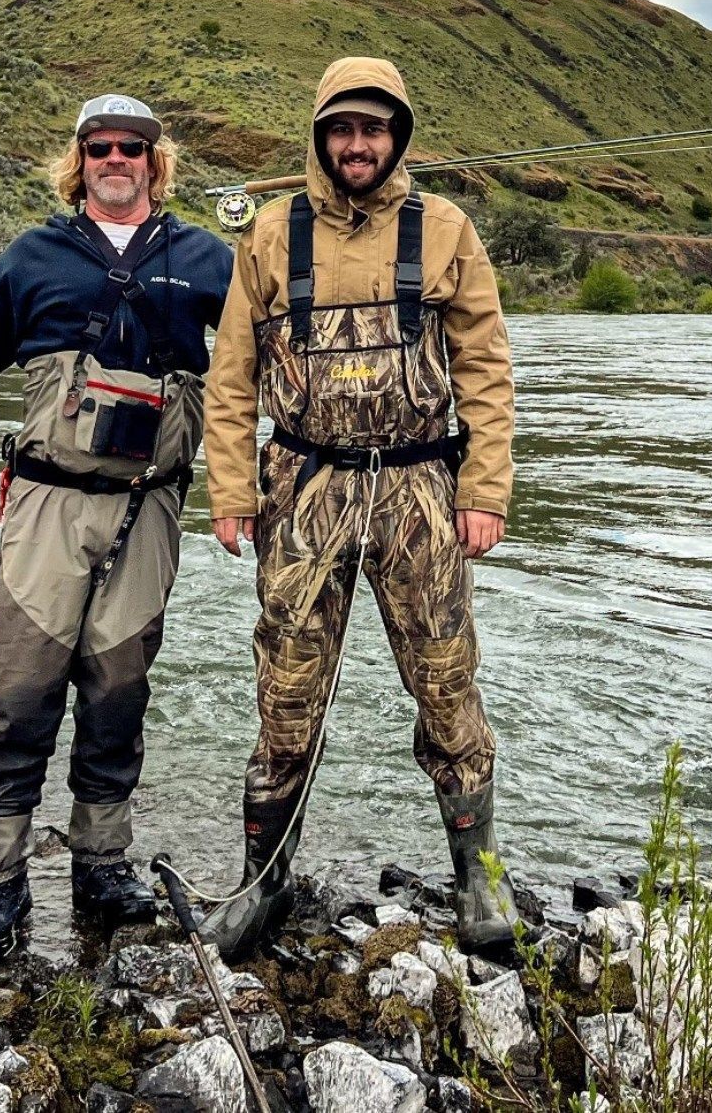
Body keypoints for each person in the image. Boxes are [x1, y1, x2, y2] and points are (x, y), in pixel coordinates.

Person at [0, 94, 233, 959]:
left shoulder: (211, 260)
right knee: (21, 698)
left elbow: (262, 359)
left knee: (118, 696)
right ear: (80, 160)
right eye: (100, 147)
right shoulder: (35, 254)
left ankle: (102, 867)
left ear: (155, 162)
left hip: (152, 506)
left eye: (133, 146)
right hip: (46, 505)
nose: (116, 158)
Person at [200, 57, 517, 959]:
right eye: (342, 129)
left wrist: (484, 490)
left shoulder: (448, 228)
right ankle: (264, 882)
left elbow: (487, 373)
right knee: (286, 688)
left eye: (374, 129)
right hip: (301, 488)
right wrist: (232, 491)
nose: (357, 145)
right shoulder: (267, 235)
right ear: (319, 137)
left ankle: (479, 881)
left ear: (398, 137)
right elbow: (231, 379)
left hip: (421, 487)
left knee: (447, 681)